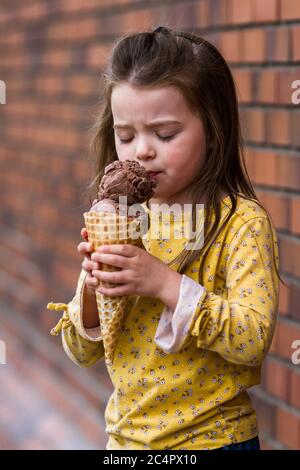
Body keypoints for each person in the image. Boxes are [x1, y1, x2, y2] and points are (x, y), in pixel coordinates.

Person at [47, 26, 285, 451]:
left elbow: (251, 340)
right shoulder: (122, 219)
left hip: (213, 440)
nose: (142, 150)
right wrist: (93, 290)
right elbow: (82, 354)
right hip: (126, 443)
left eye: (165, 133)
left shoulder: (241, 224)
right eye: (126, 136)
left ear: (212, 129)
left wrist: (163, 284)